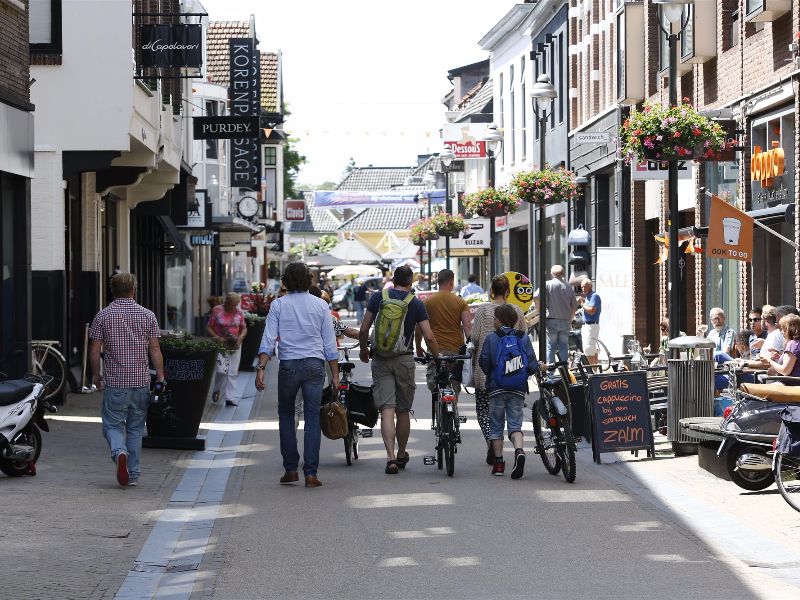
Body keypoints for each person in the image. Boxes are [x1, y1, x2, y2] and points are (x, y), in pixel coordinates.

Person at [255, 262, 339, 488]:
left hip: (289, 365)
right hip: (314, 364)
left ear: (286, 281)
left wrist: (261, 368)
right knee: (312, 417)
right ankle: (311, 473)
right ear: (309, 279)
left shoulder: (278, 305)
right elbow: (329, 343)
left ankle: (290, 469)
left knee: (286, 414)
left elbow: (269, 339)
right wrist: (335, 374)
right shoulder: (321, 305)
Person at [359, 265, 439, 475]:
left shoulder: (378, 297)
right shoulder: (415, 303)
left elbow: (365, 328)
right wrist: (437, 357)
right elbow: (429, 336)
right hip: (404, 359)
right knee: (402, 411)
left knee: (387, 409)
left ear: (393, 280)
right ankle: (402, 452)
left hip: (381, 358)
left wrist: (364, 350)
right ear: (411, 281)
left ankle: (390, 457)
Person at [89, 272, 164, 488]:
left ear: (112, 291)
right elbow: (155, 348)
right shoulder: (148, 315)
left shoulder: (103, 315)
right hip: (141, 382)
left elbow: (94, 351)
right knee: (135, 429)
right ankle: (133, 473)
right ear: (134, 290)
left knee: (112, 426)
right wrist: (160, 376)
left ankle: (119, 452)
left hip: (115, 383)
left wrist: (96, 375)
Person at [470, 275, 526, 465]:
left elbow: (475, 338)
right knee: (511, 411)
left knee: (484, 410)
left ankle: (491, 443)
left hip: (486, 370)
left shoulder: (483, 310)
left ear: (491, 290)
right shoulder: (516, 310)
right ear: (508, 291)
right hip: (512, 371)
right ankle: (509, 447)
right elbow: (523, 337)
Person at [478, 304, 540, 478]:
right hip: (518, 389)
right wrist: (521, 374)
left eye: (495, 319)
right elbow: (533, 364)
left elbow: (484, 362)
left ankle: (499, 465)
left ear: (501, 320)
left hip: (497, 388)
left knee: (496, 427)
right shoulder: (523, 337)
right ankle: (519, 451)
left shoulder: (491, 338)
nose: (494, 321)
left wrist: (493, 374)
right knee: (515, 424)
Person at [418, 269, 472, 397]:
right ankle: (453, 413)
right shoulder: (461, 302)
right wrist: (472, 347)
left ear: (438, 282)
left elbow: (418, 328)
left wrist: (418, 346)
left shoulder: (426, 302)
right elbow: (467, 327)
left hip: (436, 351)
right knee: (454, 387)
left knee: (435, 387)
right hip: (455, 351)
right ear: (451, 282)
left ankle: (439, 410)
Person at [207, 292, 248, 406]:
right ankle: (216, 389)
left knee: (233, 372)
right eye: (232, 305)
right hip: (221, 344)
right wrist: (216, 337)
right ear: (227, 303)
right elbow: (209, 326)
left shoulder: (239, 312)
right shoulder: (217, 310)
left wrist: (241, 337)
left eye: (236, 305)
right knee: (221, 370)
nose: (234, 307)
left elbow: (244, 328)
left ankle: (230, 398)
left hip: (235, 345)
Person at [534, 265, 578, 364]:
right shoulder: (568, 287)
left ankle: (551, 372)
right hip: (566, 320)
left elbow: (536, 296)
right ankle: (564, 370)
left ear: (552, 274)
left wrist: (539, 310)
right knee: (563, 345)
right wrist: (571, 317)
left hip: (552, 320)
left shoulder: (547, 284)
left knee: (551, 346)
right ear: (563, 274)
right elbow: (574, 305)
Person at [764, 314, 800, 385]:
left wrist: (769, 361)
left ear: (790, 329)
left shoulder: (792, 344)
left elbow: (785, 371)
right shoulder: (797, 344)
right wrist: (780, 357)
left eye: (783, 329)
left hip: (789, 386)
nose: (781, 332)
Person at [578, 278, 601, 365]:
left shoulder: (594, 296)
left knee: (589, 349)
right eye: (582, 287)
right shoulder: (588, 297)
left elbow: (591, 311)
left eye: (585, 287)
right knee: (592, 349)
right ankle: (594, 370)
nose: (583, 289)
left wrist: (582, 303)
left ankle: (591, 371)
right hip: (588, 326)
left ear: (590, 286)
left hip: (591, 326)